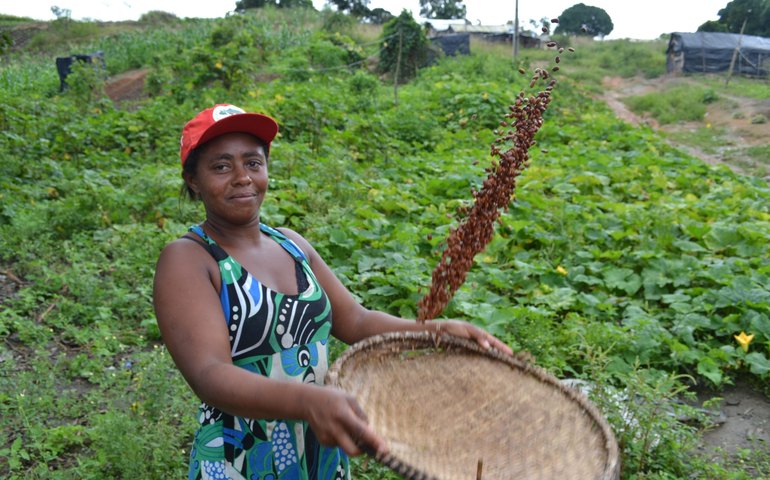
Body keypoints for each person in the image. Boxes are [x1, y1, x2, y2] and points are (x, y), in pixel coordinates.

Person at [152, 104, 513, 480]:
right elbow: (210, 374)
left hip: (318, 452)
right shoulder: (190, 259)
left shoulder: (292, 245)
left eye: (253, 163)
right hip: (242, 456)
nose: (243, 177)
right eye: (222, 166)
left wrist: (434, 331)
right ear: (193, 179)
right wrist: (308, 401)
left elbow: (355, 321)